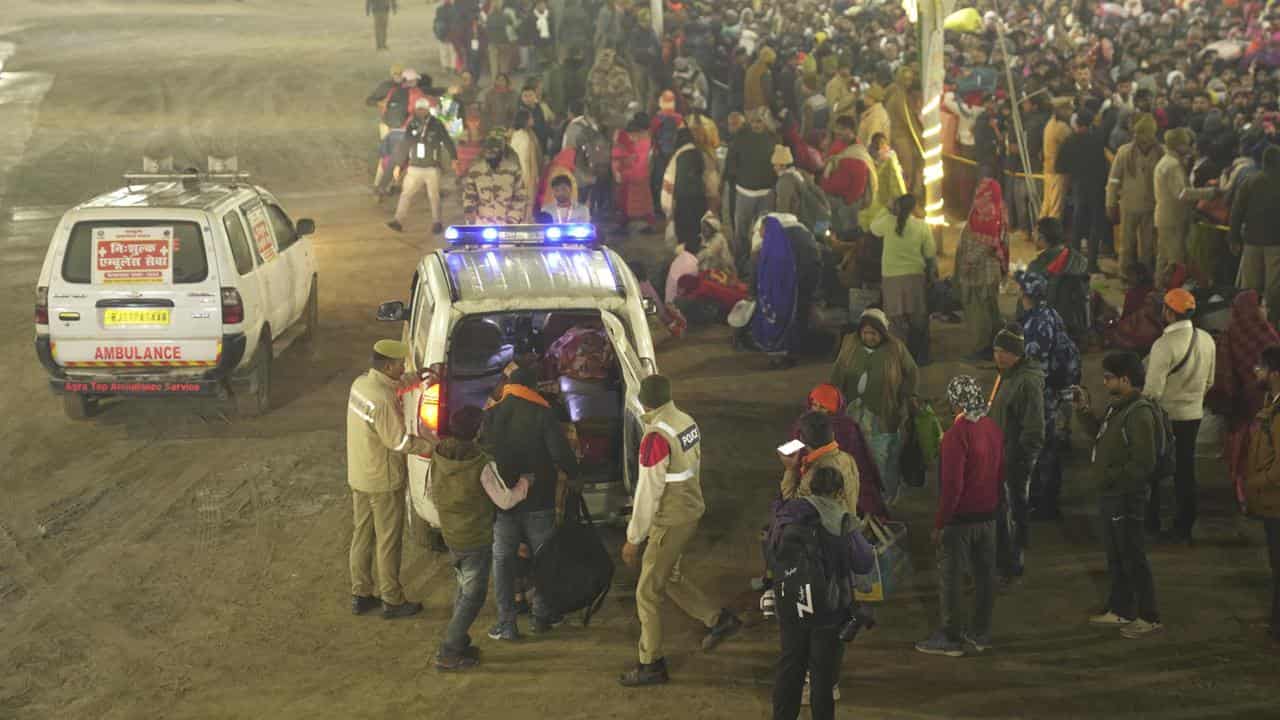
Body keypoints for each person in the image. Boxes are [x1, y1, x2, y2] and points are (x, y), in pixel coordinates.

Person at [619, 375, 742, 686]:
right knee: (668, 577)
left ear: (644, 402)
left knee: (647, 591)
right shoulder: (684, 420)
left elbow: (648, 493)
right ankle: (718, 618)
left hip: (670, 519)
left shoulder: (655, 438)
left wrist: (634, 538)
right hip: (689, 510)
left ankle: (651, 664)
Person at [768, 466, 874, 720]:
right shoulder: (843, 519)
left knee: (789, 669)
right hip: (829, 610)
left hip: (792, 605)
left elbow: (772, 552)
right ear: (838, 492)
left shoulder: (789, 513)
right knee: (822, 679)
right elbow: (863, 562)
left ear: (811, 487)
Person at [481, 366, 579, 640]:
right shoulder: (542, 412)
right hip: (540, 498)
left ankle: (507, 623)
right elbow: (560, 452)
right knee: (544, 556)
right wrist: (574, 476)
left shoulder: (492, 414)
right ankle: (540, 616)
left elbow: (484, 456)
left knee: (503, 560)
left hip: (504, 503)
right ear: (532, 387)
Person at [430, 406, 530, 670]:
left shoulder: (439, 455)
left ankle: (459, 641)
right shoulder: (481, 464)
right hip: (475, 537)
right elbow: (505, 500)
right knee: (473, 596)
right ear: (477, 432)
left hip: (452, 533)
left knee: (464, 588)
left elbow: (431, 492)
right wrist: (524, 483)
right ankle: (449, 650)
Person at [1073, 352, 1163, 639]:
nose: (1104, 382)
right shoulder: (1119, 408)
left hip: (1126, 497)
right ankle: (1121, 609)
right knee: (1116, 555)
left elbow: (1143, 463)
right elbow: (1101, 435)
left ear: (1126, 379)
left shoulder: (1139, 414)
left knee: (1133, 555)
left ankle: (1149, 616)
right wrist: (1084, 412)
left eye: (1109, 377)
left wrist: (1113, 480)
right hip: (1112, 495)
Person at [346, 340, 437, 619]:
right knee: (388, 540)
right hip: (383, 480)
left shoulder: (362, 384)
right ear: (388, 366)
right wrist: (433, 446)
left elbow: (394, 386)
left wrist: (418, 376)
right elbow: (398, 442)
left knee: (363, 535)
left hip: (360, 474)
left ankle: (361, 593)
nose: (403, 368)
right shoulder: (383, 401)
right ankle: (392, 600)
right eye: (401, 365)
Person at [915, 375, 1002, 658]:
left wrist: (940, 523)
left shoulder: (956, 436)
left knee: (951, 578)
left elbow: (952, 487)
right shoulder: (992, 428)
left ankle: (951, 637)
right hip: (989, 516)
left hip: (961, 520)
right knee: (985, 576)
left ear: (956, 402)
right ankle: (980, 633)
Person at [1143, 288, 1215, 544]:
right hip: (1193, 414)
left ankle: (1151, 521)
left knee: (1152, 469)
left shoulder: (1163, 345)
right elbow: (1209, 381)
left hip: (1165, 415)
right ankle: (1184, 526)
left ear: (1169, 312)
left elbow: (1152, 391)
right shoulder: (1206, 339)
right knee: (1185, 470)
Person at [830, 309, 918, 505]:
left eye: (874, 333)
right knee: (853, 454)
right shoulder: (850, 344)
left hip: (883, 414)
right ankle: (860, 495)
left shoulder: (896, 348)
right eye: (865, 333)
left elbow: (911, 372)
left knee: (882, 457)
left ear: (882, 333)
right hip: (853, 412)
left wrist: (904, 397)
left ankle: (886, 496)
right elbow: (838, 371)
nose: (869, 337)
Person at [1015, 272, 1081, 521]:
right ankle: (1049, 499)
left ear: (1026, 295)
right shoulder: (1053, 314)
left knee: (1038, 446)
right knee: (1050, 445)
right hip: (1055, 391)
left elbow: (1033, 364)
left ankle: (1043, 503)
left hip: (1042, 394)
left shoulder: (1034, 323)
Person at [1206, 292, 1279, 505]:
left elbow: (1225, 374)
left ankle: (1246, 496)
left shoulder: (1231, 335)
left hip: (1245, 409)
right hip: (1270, 404)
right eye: (1262, 306)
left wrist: (1224, 401)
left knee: (1245, 455)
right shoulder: (1270, 333)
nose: (1266, 311)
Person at [987, 326, 1045, 585]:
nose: (999, 356)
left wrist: (1021, 460)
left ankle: (1011, 566)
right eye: (997, 351)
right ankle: (1007, 561)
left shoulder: (1027, 382)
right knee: (1004, 511)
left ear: (1018, 354)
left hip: (1014, 457)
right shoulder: (1007, 375)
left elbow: (1034, 428)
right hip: (1001, 454)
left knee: (1011, 512)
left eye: (1006, 352)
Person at [789, 385, 887, 521]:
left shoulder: (846, 429)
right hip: (810, 477)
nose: (816, 410)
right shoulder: (806, 422)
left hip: (840, 480)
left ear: (834, 409)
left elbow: (860, 462)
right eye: (814, 405)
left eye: (822, 407)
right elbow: (794, 445)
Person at [744, 215, 823, 369]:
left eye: (761, 231)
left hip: (788, 283)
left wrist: (753, 292)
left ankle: (786, 354)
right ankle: (797, 350)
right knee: (800, 310)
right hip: (811, 265)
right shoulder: (794, 228)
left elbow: (757, 265)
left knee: (784, 316)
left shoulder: (771, 238)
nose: (760, 233)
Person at [870, 194, 935, 365]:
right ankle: (921, 357)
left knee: (895, 321)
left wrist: (886, 208)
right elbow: (930, 253)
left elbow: (872, 228)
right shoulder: (922, 226)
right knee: (918, 319)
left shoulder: (888, 222)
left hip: (891, 278)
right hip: (915, 277)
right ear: (915, 208)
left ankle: (898, 357)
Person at [1244, 344, 1280, 645]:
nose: (1256, 371)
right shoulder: (1272, 402)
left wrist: (1257, 481)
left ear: (1275, 374)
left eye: (1261, 368)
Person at [954, 179, 1009, 363]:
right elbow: (1004, 244)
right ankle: (995, 344)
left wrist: (964, 267)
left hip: (979, 274)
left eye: (981, 193)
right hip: (991, 272)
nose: (977, 196)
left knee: (979, 312)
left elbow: (977, 250)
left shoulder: (985, 216)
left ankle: (982, 349)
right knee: (990, 309)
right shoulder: (999, 209)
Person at [387, 98, 457, 235]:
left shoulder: (436, 124)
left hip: (432, 166)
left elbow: (447, 140)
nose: (420, 111)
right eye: (418, 109)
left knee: (434, 195)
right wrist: (398, 165)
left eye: (422, 109)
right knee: (406, 194)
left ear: (427, 109)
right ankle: (398, 221)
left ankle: (437, 222)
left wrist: (454, 158)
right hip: (415, 166)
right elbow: (405, 144)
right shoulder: (412, 124)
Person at [724, 107, 779, 273]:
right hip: (747, 192)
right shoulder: (742, 139)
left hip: (764, 193)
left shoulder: (772, 139)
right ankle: (742, 266)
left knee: (763, 232)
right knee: (742, 231)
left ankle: (760, 265)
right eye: (754, 121)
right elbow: (731, 164)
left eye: (760, 121)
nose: (756, 125)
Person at [1106, 113, 1161, 274]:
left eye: (1142, 134)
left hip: (1150, 206)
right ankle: (1125, 272)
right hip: (1128, 205)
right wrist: (1110, 203)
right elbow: (1113, 180)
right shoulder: (1124, 152)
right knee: (1127, 244)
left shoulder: (1160, 153)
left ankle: (1145, 275)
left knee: (1148, 245)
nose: (1138, 137)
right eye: (1136, 133)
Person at [1057, 109, 1109, 274]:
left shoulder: (1069, 141)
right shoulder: (1097, 141)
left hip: (1077, 188)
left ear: (1077, 124)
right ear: (1090, 124)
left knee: (1077, 226)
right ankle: (1092, 263)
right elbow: (1104, 166)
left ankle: (1075, 263)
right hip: (1096, 188)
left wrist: (1064, 191)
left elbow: (1061, 168)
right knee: (1095, 226)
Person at [1231, 146, 1280, 319]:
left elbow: (1236, 212)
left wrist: (1234, 238)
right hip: (1276, 243)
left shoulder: (1250, 181)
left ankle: (1249, 321)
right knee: (1274, 289)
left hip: (1252, 241)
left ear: (1263, 162)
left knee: (1250, 289)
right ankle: (1273, 326)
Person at [779, 411, 860, 517]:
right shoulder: (847, 459)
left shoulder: (815, 472)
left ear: (802, 439)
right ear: (832, 434)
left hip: (827, 531)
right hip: (847, 526)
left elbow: (793, 507)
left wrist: (790, 469)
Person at [1153, 128, 1197, 278]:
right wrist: (1210, 192)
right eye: (1185, 144)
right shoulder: (1172, 165)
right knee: (1174, 261)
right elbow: (1181, 193)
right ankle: (1170, 294)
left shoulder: (1167, 161)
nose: (1188, 147)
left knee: (1163, 257)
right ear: (1178, 145)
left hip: (1165, 217)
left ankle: (1158, 288)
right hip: (1173, 218)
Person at [820, 116, 874, 238]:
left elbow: (860, 183)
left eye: (841, 129)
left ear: (851, 131)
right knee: (830, 232)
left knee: (845, 234)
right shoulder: (838, 144)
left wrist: (847, 203)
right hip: (831, 200)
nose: (837, 131)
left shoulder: (857, 154)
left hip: (845, 204)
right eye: (837, 128)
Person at [462, 130, 529, 225]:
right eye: (489, 151)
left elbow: (520, 197)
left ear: (501, 152)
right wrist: (470, 213)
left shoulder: (513, 170)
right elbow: (469, 195)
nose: (491, 154)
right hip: (482, 224)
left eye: (495, 151)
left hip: (507, 224)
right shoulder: (475, 171)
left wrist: (512, 220)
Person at [661, 127, 714, 247]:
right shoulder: (701, 153)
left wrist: (668, 206)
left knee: (684, 233)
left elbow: (670, 181)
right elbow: (710, 178)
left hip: (683, 201)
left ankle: (685, 259)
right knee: (697, 230)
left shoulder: (677, 156)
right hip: (699, 199)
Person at [611, 112, 655, 227]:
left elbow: (639, 172)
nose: (630, 138)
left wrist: (624, 174)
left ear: (639, 132)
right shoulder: (644, 144)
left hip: (637, 183)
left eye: (631, 135)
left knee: (640, 207)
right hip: (638, 182)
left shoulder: (643, 146)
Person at [1040, 97, 1073, 222]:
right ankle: (1052, 238)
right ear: (1061, 110)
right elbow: (1072, 143)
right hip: (1058, 172)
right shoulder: (1061, 127)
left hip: (1048, 169)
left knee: (1047, 205)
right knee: (1055, 208)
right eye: (1068, 109)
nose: (1070, 112)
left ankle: (1040, 234)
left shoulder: (1049, 123)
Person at [509, 108, 544, 218]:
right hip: (526, 174)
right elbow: (527, 159)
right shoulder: (524, 137)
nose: (532, 119)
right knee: (528, 203)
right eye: (531, 117)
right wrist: (534, 176)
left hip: (521, 174)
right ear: (525, 120)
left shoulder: (519, 135)